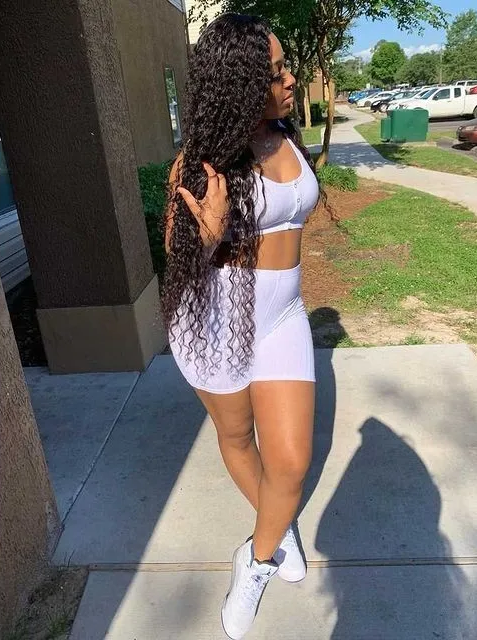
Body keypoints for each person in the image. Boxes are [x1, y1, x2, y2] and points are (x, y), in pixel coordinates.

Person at [161, 13, 330, 639]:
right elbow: (177, 256)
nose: (290, 80)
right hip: (217, 321)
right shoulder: (202, 164)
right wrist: (208, 239)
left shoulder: (286, 137)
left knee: (291, 461)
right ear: (239, 84)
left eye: (286, 67)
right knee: (237, 437)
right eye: (276, 72)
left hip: (281, 316)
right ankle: (277, 529)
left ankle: (254, 561)